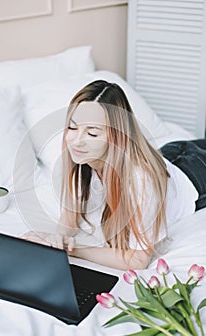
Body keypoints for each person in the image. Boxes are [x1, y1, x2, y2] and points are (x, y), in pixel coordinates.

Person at [23, 80, 206, 270]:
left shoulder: (140, 181)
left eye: (92, 133)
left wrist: (74, 249)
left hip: (193, 173)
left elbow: (138, 260)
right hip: (170, 152)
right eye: (73, 127)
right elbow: (70, 218)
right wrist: (56, 240)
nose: (77, 142)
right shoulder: (80, 160)